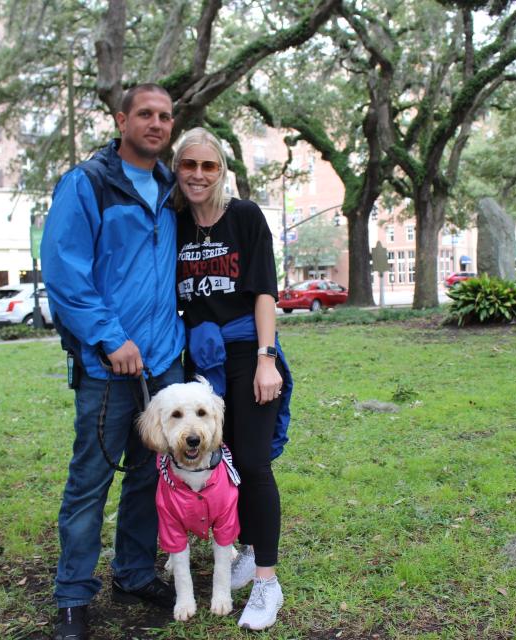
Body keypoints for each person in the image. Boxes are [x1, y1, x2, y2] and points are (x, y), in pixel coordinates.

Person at [41, 83, 185, 640]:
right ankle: (73, 597)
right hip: (107, 367)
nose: (156, 123)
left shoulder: (173, 188)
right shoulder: (87, 184)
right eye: (145, 114)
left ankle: (132, 573)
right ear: (121, 119)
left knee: (151, 475)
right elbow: (65, 274)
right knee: (89, 482)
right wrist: (109, 338)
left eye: (165, 116)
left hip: (164, 363)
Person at [171, 127, 293, 631]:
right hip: (201, 355)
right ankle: (242, 547)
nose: (199, 175)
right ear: (177, 169)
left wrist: (267, 358)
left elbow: (265, 290)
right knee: (218, 458)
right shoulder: (174, 222)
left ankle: (266, 580)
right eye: (189, 165)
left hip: (247, 349)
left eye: (209, 166)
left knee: (252, 459)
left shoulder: (244, 216)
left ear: (221, 170)